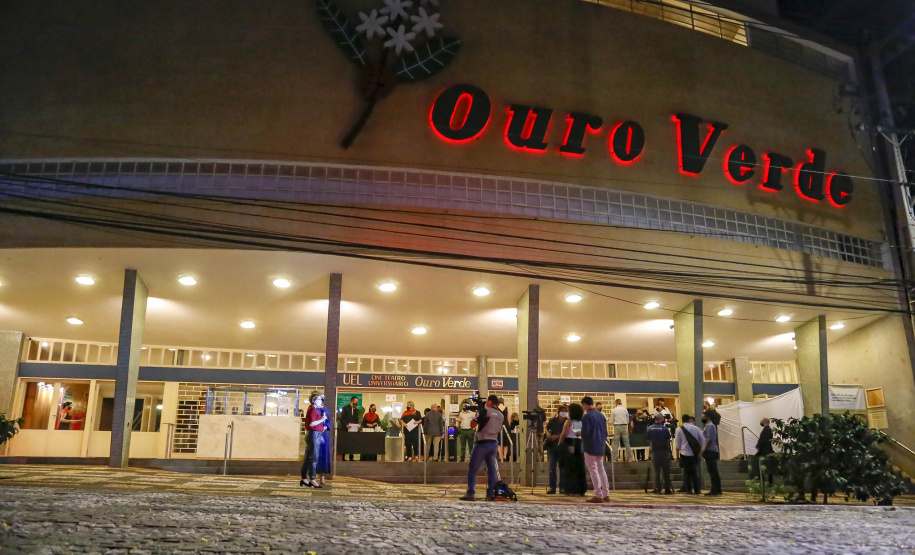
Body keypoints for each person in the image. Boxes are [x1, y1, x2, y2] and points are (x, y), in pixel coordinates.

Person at [459, 395, 504, 501]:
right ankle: (490, 494)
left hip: (482, 443)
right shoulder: (501, 415)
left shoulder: (484, 411)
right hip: (493, 443)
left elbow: (472, 425)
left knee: (473, 469)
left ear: (489, 402)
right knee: (491, 470)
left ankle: (470, 493)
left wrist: (477, 414)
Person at [581, 397, 610, 503]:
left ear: (585, 404)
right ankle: (606, 493)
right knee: (601, 469)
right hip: (601, 444)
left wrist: (580, 434)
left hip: (590, 445)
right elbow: (605, 432)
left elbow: (586, 432)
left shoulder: (587, 416)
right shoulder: (601, 416)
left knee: (593, 470)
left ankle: (598, 494)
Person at [559, 403, 587, 496]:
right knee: (580, 467)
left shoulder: (569, 422)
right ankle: (581, 488)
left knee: (570, 467)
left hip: (570, 443)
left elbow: (564, 434)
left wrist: (560, 444)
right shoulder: (582, 421)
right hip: (579, 444)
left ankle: (570, 488)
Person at [300, 393, 327, 488]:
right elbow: (311, 423)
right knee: (314, 457)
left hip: (315, 433)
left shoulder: (312, 409)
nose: (321, 400)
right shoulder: (312, 410)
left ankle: (304, 477)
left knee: (308, 457)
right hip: (314, 434)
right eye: (319, 399)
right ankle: (312, 478)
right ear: (314, 400)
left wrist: (321, 428)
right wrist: (322, 419)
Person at [675, 414, 706, 495]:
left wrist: (677, 456)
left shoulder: (679, 429)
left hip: (684, 453)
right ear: (689, 420)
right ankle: (697, 489)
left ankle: (689, 490)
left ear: (682, 420)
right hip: (695, 453)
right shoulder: (695, 428)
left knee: (687, 473)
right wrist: (701, 449)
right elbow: (702, 440)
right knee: (695, 472)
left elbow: (678, 444)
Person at [646, 413, 673, 494]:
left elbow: (648, 439)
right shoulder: (664, 429)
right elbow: (668, 439)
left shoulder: (650, 428)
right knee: (666, 471)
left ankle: (658, 488)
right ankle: (667, 489)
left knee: (656, 471)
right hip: (664, 451)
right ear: (661, 419)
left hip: (655, 451)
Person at [544, 405, 568, 494]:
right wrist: (548, 434)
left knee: (562, 469)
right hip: (552, 447)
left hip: (562, 447)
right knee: (552, 468)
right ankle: (552, 487)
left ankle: (562, 487)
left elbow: (567, 433)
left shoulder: (567, 422)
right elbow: (546, 427)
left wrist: (557, 436)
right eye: (562, 411)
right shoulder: (553, 420)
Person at [701, 409, 722, 496]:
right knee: (713, 471)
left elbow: (710, 439)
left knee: (712, 471)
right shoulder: (709, 425)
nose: (702, 417)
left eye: (704, 416)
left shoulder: (710, 426)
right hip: (711, 450)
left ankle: (715, 490)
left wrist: (704, 449)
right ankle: (717, 489)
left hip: (710, 450)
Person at [315, 399, 332, 485]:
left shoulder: (325, 409)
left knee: (324, 453)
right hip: (315, 433)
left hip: (324, 434)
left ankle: (323, 475)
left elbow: (329, 421)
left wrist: (326, 427)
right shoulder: (313, 409)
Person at [755, 417, 775, 485]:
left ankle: (765, 480)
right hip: (766, 450)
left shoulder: (767, 430)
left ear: (763, 422)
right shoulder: (768, 430)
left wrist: (758, 446)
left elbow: (763, 439)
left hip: (765, 450)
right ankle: (766, 480)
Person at [340, 396, 360, 461]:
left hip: (353, 429)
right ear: (352, 401)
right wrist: (346, 425)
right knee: (345, 443)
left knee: (352, 443)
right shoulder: (345, 408)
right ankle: (343, 457)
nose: (356, 403)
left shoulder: (356, 410)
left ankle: (351, 457)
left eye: (357, 402)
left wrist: (358, 425)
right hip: (345, 429)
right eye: (356, 401)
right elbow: (342, 419)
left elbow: (356, 419)